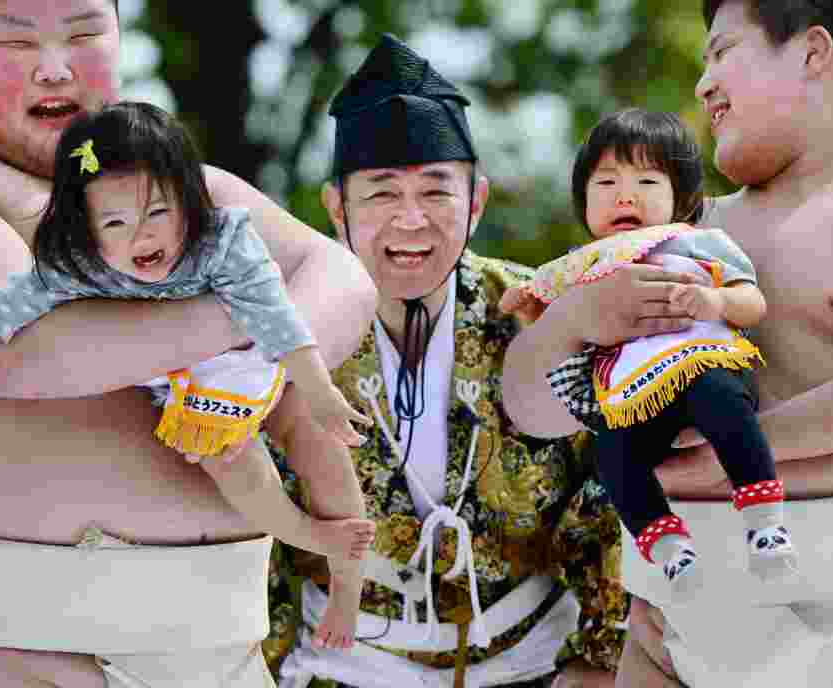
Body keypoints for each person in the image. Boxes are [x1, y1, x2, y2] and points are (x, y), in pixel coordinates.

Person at [0, 1, 378, 686]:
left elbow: (345, 278)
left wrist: (247, 374)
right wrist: (249, 315)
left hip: (216, 643)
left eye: (84, 34)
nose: (54, 69)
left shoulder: (184, 186)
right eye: (17, 42)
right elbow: (26, 355)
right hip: (12, 651)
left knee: (308, 426)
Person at [502, 1, 833, 686]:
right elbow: (530, 410)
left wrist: (741, 446)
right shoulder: (676, 231)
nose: (702, 82)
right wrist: (572, 322)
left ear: (812, 52)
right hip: (668, 634)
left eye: (722, 51)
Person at [261, 33, 626, 688]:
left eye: (436, 192)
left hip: (533, 663)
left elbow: (608, 495)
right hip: (342, 667)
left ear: (476, 201)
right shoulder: (286, 331)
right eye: (381, 194)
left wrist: (601, 661)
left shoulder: (543, 312)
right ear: (336, 206)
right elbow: (253, 521)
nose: (410, 220)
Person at [501, 108, 796, 603]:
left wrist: (717, 302)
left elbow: (753, 301)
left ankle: (765, 523)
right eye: (607, 182)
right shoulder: (580, 266)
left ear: (681, 199)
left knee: (725, 404)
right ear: (583, 200)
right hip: (633, 393)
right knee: (612, 454)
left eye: (646, 181)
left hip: (703, 362)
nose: (625, 196)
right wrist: (534, 308)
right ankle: (671, 551)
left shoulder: (698, 242)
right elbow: (548, 321)